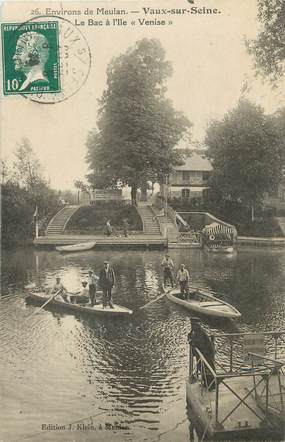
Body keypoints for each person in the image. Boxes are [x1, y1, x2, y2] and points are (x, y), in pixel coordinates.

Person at [188, 318, 215, 390]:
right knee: (202, 369)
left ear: (196, 325)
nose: (192, 326)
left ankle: (210, 386)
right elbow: (192, 338)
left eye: (193, 324)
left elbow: (199, 343)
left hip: (206, 355)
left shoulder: (199, 332)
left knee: (206, 370)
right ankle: (207, 384)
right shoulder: (197, 331)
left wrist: (192, 343)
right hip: (203, 354)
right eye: (191, 324)